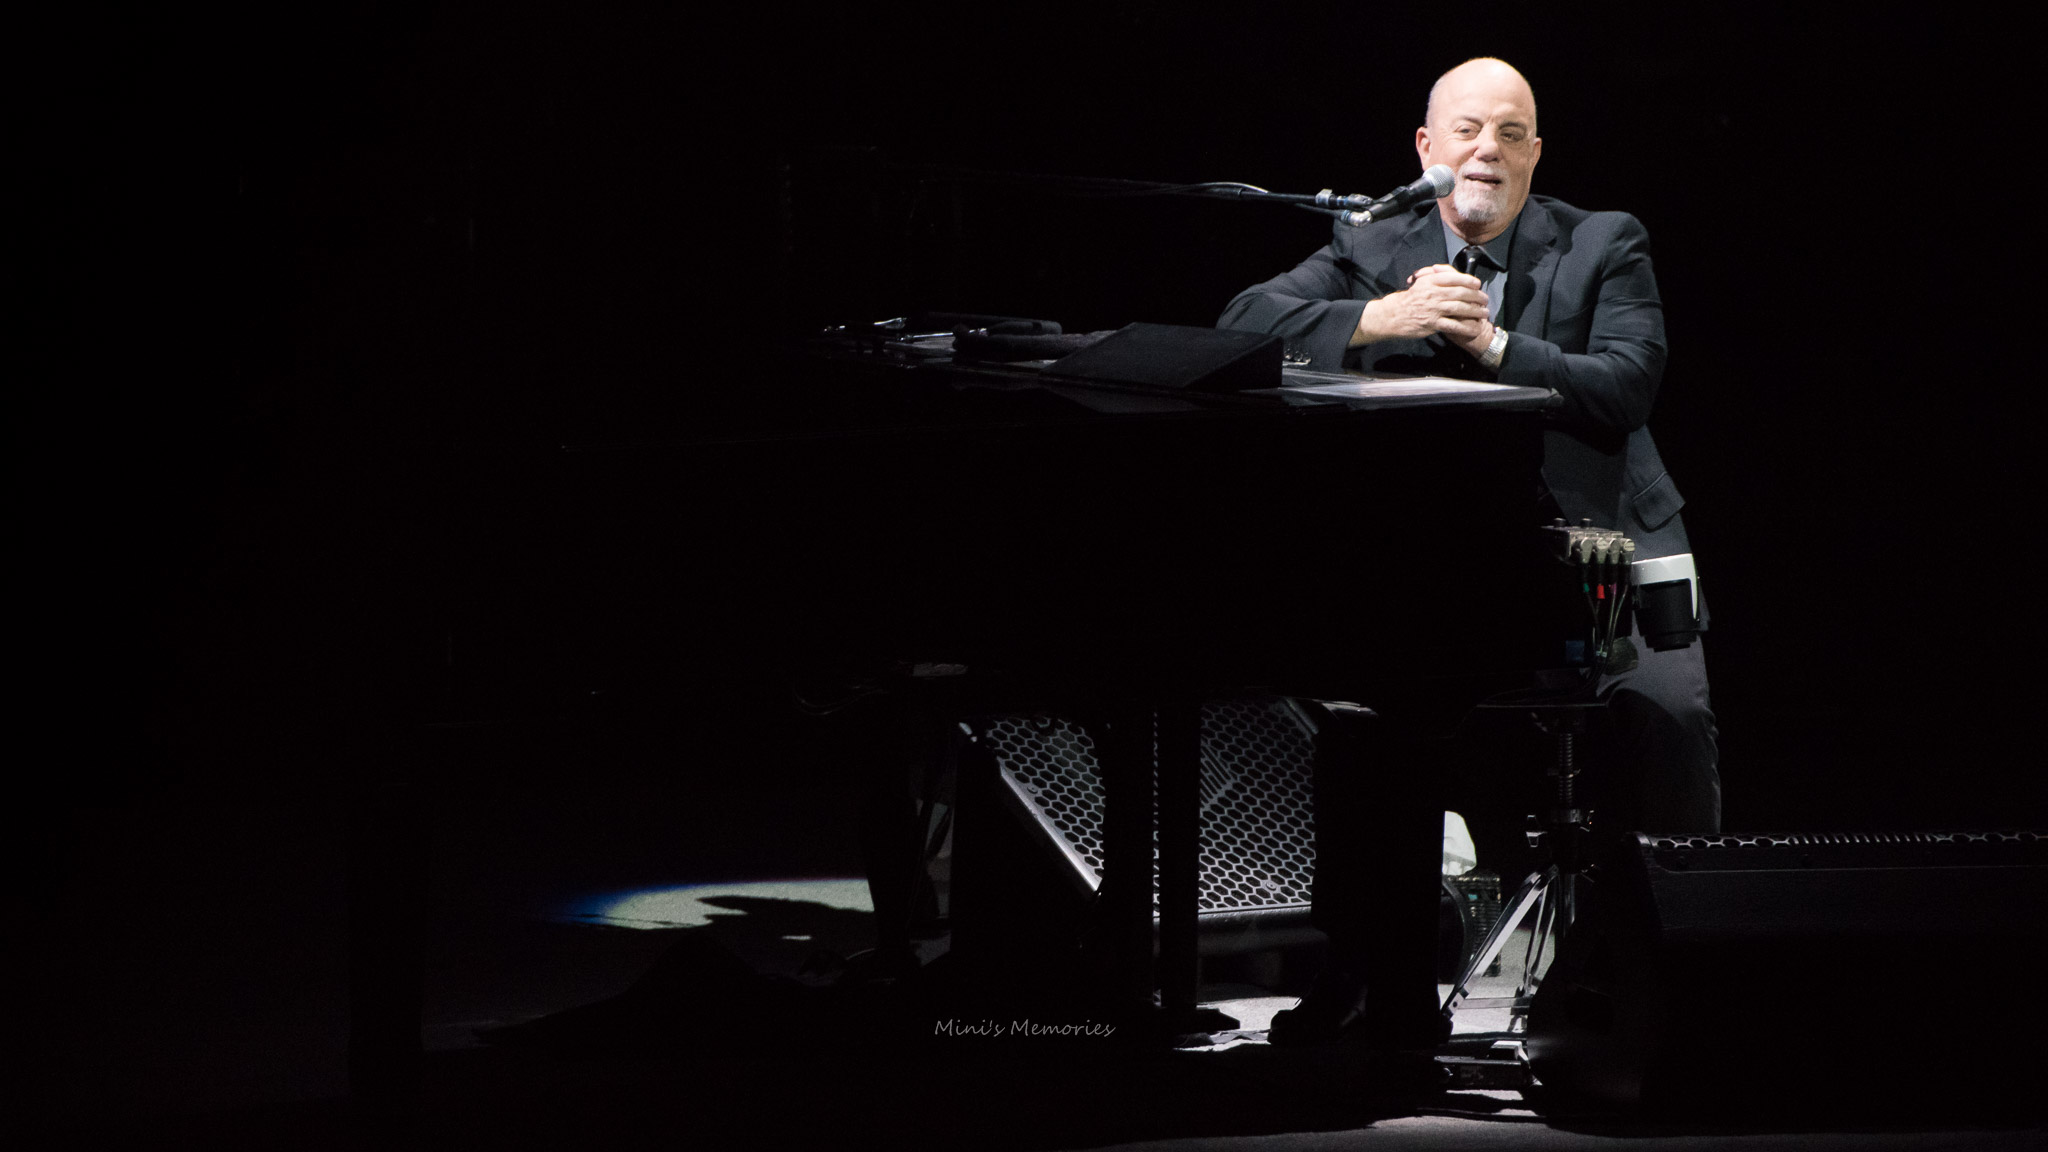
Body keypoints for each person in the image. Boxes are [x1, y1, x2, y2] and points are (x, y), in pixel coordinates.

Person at [1218, 57, 1720, 1046]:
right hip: (1453, 561)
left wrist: (1492, 348)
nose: (1487, 149)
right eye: (1466, 130)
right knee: (1362, 719)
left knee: (1668, 716)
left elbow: (1626, 385)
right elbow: (1241, 324)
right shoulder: (1371, 240)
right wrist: (1378, 317)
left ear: (1534, 154)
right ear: (1426, 149)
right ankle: (1365, 980)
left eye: (1510, 133)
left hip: (1603, 557)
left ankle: (1689, 970)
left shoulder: (1603, 241)